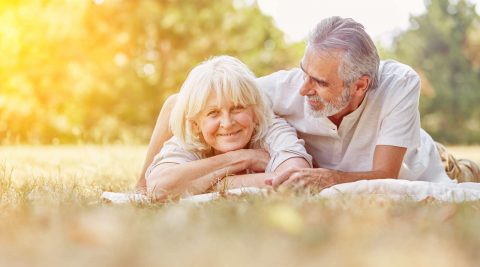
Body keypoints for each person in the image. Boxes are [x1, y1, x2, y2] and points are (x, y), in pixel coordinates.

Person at [137, 16, 479, 193]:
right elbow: (178, 104)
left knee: (464, 174)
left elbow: (386, 176)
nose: (304, 88)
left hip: (419, 162)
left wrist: (327, 178)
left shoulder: (398, 83)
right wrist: (141, 185)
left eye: (319, 82)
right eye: (305, 72)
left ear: (359, 85)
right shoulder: (284, 89)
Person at [144, 55, 311, 200]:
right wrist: (243, 158)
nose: (227, 122)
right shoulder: (191, 138)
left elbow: (296, 180)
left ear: (254, 112)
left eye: (237, 108)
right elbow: (157, 188)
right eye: (213, 113)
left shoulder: (271, 128)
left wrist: (197, 184)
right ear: (196, 124)